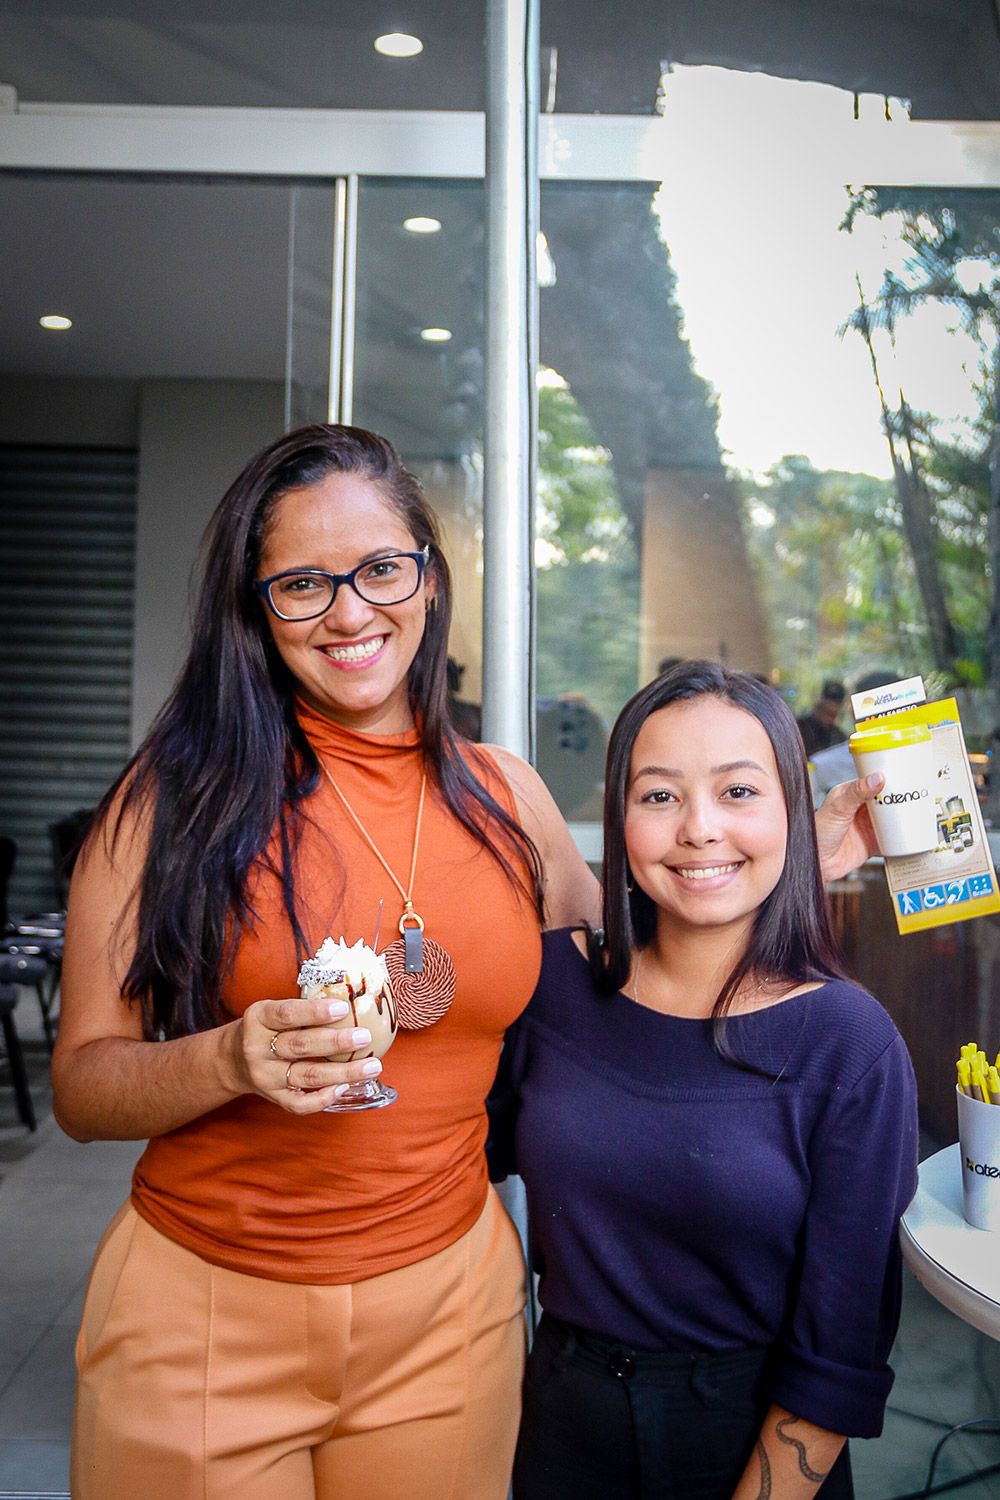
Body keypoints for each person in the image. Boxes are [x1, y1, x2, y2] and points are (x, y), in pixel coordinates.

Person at [52, 426, 882, 1500]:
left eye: (380, 569)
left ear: (430, 580)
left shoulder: (505, 796)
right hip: (206, 1308)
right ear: (255, 609)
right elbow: (83, 1087)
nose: (350, 612)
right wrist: (229, 1060)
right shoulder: (172, 801)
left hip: (450, 1318)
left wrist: (794, 856)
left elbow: (641, 967)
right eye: (302, 585)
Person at [490, 660, 918, 1500]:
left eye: (739, 792)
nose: (699, 828)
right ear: (618, 817)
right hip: (558, 1423)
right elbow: (452, 1156)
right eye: (659, 795)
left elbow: (838, 1353)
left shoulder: (848, 1043)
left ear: (792, 814)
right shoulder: (553, 989)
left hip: (754, 1439)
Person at [796, 679, 848, 757]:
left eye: (832, 715)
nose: (828, 719)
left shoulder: (839, 737)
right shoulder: (800, 728)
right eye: (826, 713)